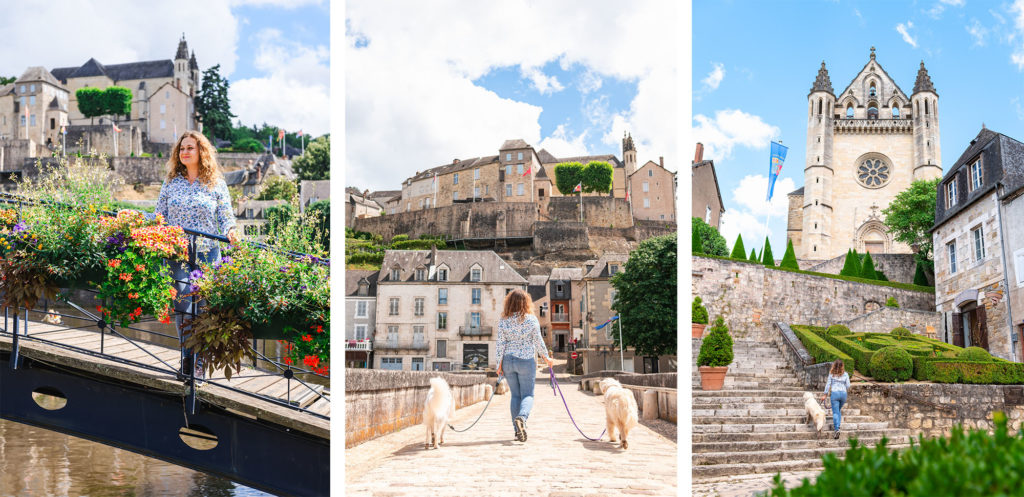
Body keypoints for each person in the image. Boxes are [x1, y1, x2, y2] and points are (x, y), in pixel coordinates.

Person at [155, 130, 239, 379]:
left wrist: (231, 230)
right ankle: (187, 360)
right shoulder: (171, 182)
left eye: (190, 147)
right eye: (182, 148)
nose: (185, 152)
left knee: (202, 308)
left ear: (201, 151)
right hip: (177, 253)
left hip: (207, 252)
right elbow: (160, 215)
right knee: (183, 305)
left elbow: (225, 216)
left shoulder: (215, 184)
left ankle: (198, 363)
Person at [495, 289, 554, 442]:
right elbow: (538, 341)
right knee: (527, 395)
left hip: (508, 361)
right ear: (526, 303)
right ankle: (522, 418)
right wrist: (546, 358)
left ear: (509, 303)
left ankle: (517, 431)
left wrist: (498, 365)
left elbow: (500, 344)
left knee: (515, 396)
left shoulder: (504, 320)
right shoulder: (531, 320)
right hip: (526, 360)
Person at [821, 359, 850, 439]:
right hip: (843, 394)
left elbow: (828, 385)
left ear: (834, 365)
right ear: (842, 366)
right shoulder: (846, 374)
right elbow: (848, 386)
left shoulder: (831, 374)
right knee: (838, 411)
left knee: (835, 412)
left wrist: (825, 395)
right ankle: (838, 426)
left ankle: (837, 429)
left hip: (835, 394)